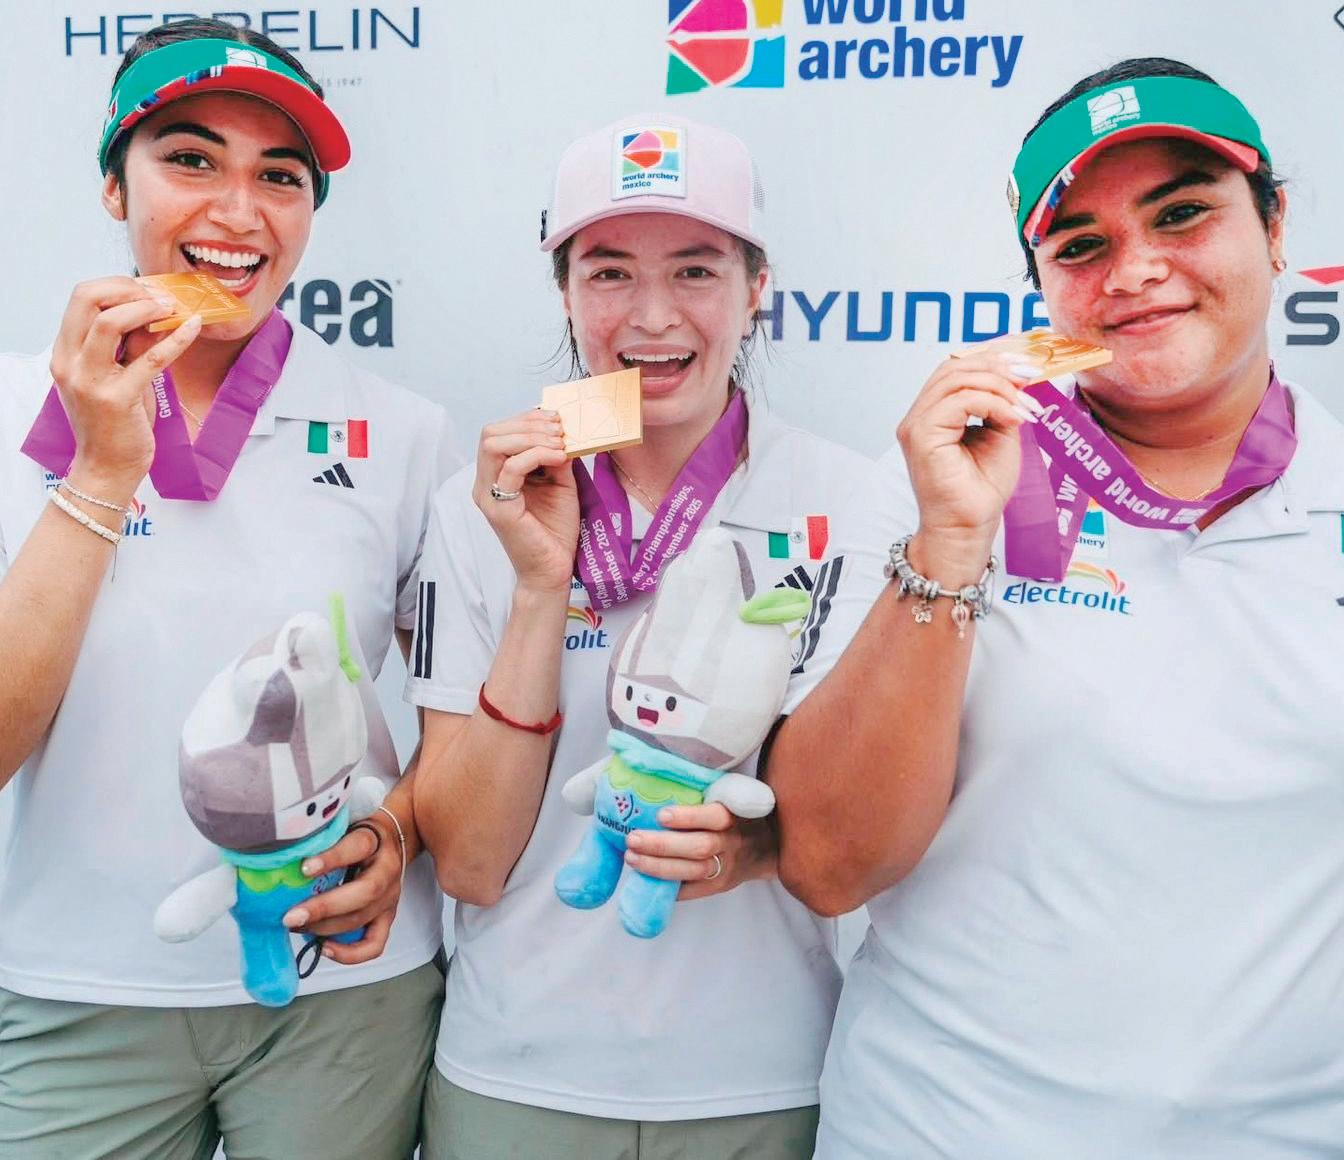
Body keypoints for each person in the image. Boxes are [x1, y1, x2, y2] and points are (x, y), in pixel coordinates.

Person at [765, 57, 1344, 1158]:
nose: (1137, 269)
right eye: (1081, 244)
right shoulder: (945, 479)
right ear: (1042, 286)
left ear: (1274, 229)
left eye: (1182, 213)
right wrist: (949, 542)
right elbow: (830, 861)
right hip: (940, 1132)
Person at [0, 19, 456, 1158]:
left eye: (281, 177)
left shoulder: (402, 431)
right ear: (115, 185)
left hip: (342, 987)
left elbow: (455, 722)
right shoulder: (9, 411)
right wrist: (100, 472)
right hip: (77, 986)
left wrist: (396, 832)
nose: (240, 212)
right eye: (191, 160)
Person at [407, 115, 870, 1160]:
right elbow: (470, 862)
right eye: (609, 272)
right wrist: (540, 586)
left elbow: (855, 833)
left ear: (757, 287)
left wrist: (758, 848)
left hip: (761, 1074)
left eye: (697, 270)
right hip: (515, 1070)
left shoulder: (850, 502)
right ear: (566, 293)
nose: (653, 316)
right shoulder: (480, 505)